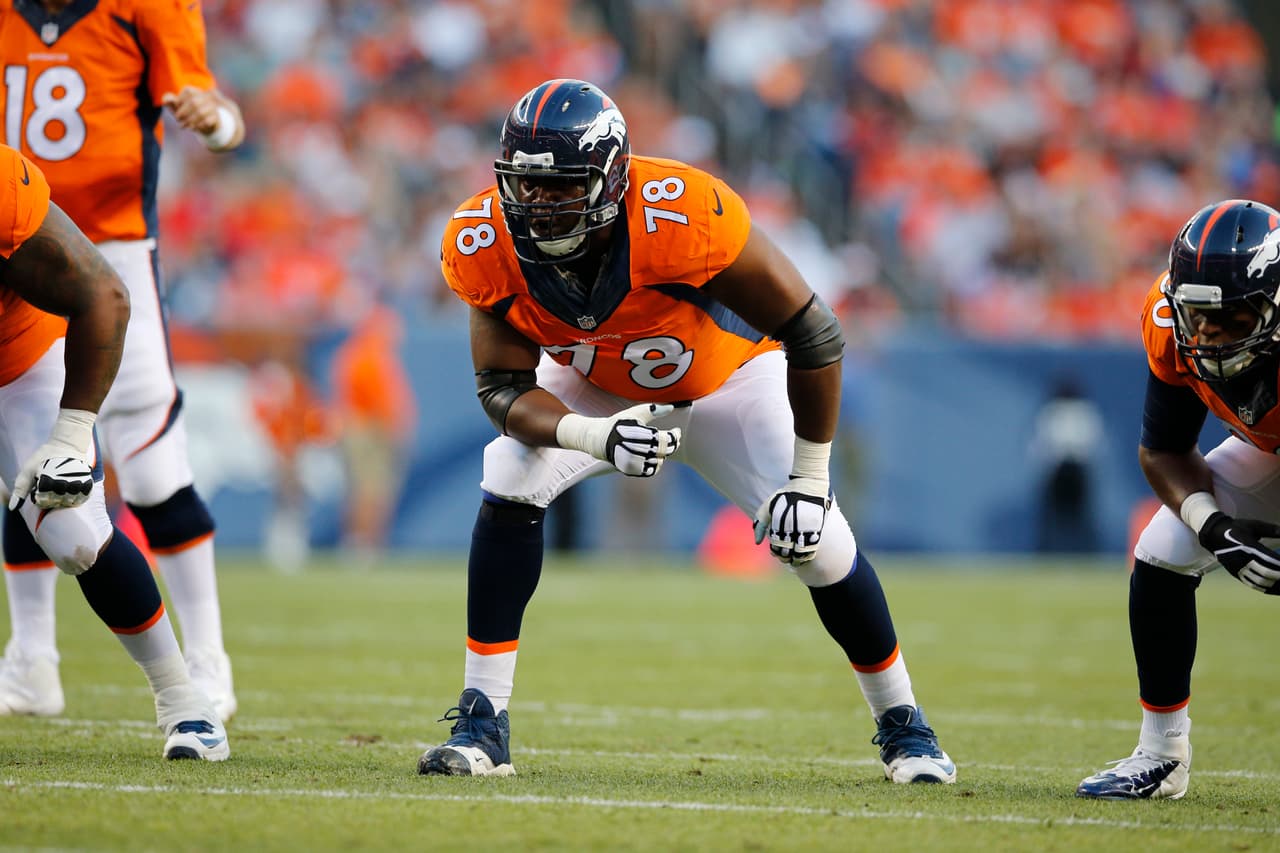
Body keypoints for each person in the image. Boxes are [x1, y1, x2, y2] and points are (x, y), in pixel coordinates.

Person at [417, 79, 956, 784]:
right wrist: (591, 435)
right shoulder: (484, 239)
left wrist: (810, 479)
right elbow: (502, 388)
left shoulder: (685, 213)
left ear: (611, 178)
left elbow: (814, 331)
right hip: (599, 384)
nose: (539, 207)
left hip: (729, 378)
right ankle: (484, 722)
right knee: (509, 470)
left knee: (815, 540)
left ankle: (906, 727)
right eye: (525, 187)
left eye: (561, 188)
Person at [0, 0, 245, 721]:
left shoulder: (144, 7)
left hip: (105, 251)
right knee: (27, 459)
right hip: (12, 247)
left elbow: (218, 115)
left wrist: (219, 121)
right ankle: (32, 658)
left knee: (150, 456)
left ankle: (206, 658)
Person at [1077, 199, 1280, 800]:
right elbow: (1163, 450)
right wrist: (1215, 527)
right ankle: (1162, 755)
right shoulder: (1171, 328)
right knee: (1164, 546)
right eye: (1196, 316)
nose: (1208, 336)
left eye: (1233, 320)